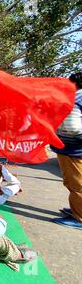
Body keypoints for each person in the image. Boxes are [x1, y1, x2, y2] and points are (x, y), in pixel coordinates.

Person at [51, 72, 82, 229]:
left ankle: (79, 218)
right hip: (74, 150)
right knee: (74, 183)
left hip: (73, 150)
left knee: (76, 184)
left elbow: (71, 127)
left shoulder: (75, 99)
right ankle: (77, 209)